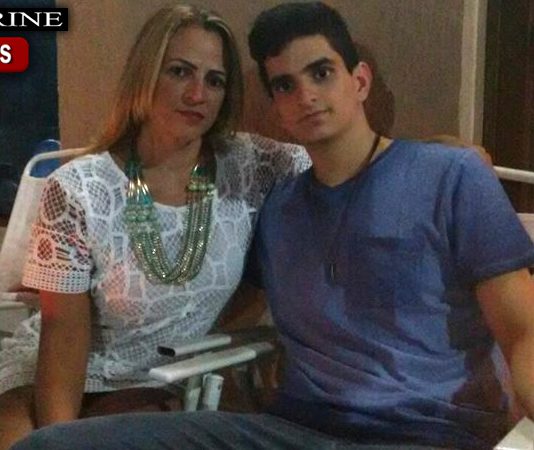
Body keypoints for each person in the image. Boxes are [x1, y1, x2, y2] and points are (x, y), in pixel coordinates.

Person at [11, 2, 534, 450]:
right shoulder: (278, 202)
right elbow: (239, 299)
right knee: (49, 446)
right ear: (276, 107)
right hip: (289, 430)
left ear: (360, 81)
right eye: (285, 85)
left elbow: (524, 332)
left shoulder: (451, 177)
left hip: (425, 434)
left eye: (322, 73)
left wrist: (451, 158)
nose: (306, 95)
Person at [0, 4, 309, 449]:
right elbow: (63, 339)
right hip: (57, 370)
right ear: (146, 75)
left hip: (162, 376)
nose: (197, 94)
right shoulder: (80, 188)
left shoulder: (253, 166)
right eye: (180, 72)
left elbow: (337, 164)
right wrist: (60, 438)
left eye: (215, 80)